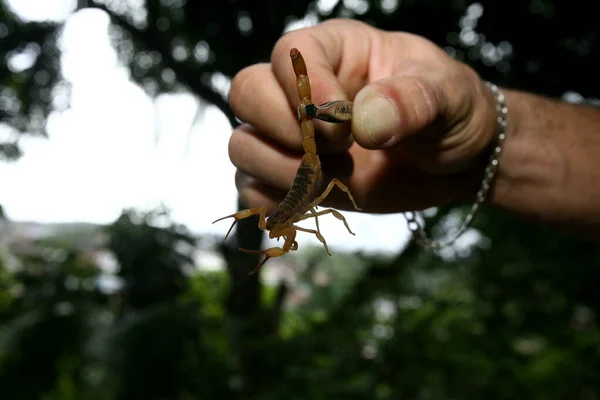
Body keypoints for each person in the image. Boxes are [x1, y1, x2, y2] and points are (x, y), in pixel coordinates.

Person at [225, 19, 600, 244]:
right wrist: (491, 147)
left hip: (314, 163)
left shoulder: (287, 215)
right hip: (316, 168)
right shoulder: (289, 214)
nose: (275, 233)